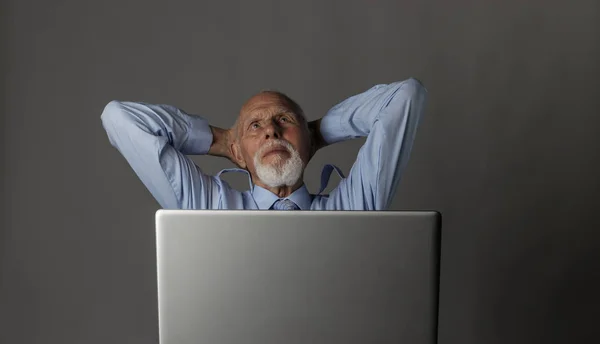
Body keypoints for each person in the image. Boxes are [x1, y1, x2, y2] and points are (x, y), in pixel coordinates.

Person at [100, 77, 427, 210]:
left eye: (284, 120)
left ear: (309, 142)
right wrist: (224, 140)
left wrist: (318, 132)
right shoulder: (209, 208)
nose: (271, 131)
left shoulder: (354, 207)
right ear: (238, 153)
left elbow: (405, 96)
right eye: (255, 126)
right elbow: (119, 119)